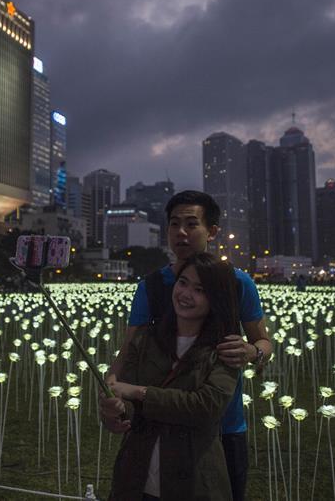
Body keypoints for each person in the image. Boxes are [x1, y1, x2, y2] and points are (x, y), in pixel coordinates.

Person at [107, 190, 272, 501]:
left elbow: (262, 340)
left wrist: (253, 352)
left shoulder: (237, 283)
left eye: (191, 224)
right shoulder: (152, 287)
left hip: (223, 425)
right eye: (174, 224)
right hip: (160, 423)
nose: (180, 233)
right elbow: (129, 350)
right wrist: (112, 390)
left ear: (211, 231)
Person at [101, 252, 240, 500]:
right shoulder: (145, 338)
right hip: (135, 479)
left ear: (215, 299)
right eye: (183, 282)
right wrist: (116, 412)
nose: (186, 294)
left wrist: (138, 392)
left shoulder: (226, 350)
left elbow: (205, 408)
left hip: (194, 482)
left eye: (200, 290)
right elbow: (129, 407)